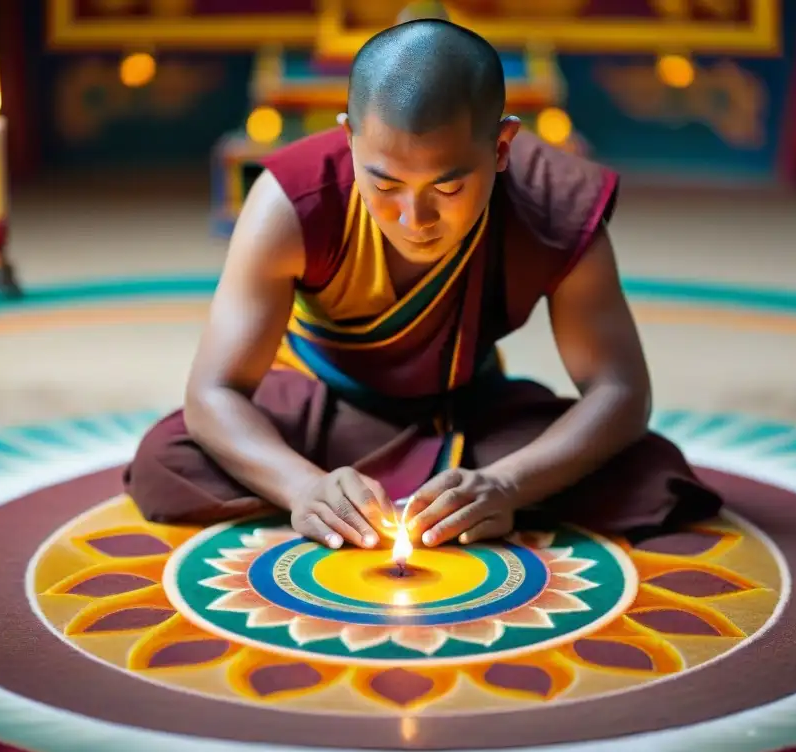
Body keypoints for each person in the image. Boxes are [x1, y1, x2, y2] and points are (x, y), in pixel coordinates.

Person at [123, 18, 722, 551]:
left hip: (467, 411)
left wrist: (508, 483)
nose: (416, 218)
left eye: (449, 187)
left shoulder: (552, 203)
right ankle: (388, 492)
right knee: (165, 463)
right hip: (317, 408)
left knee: (653, 473)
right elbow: (214, 393)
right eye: (384, 187)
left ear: (502, 146)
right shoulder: (290, 202)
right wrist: (302, 487)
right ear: (349, 138)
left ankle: (437, 490)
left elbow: (620, 392)